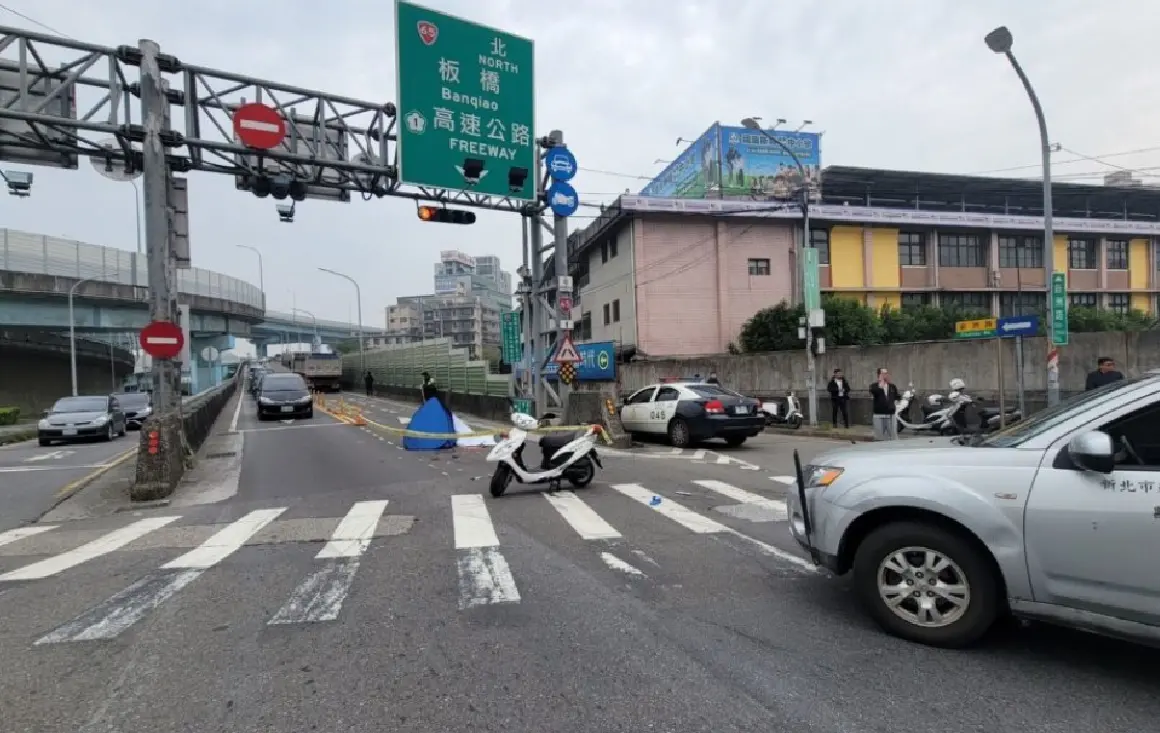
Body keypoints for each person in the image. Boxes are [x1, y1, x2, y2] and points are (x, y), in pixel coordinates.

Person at [869, 367, 900, 441]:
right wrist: (881, 383)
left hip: (890, 414)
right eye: (883, 373)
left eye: (886, 373)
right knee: (879, 437)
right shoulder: (874, 386)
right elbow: (875, 392)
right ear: (879, 375)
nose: (885, 375)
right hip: (879, 414)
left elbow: (896, 397)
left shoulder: (892, 386)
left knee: (893, 436)